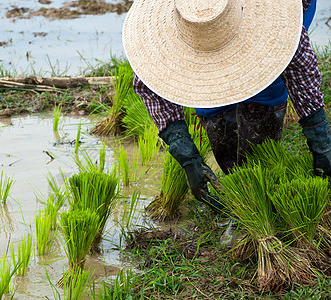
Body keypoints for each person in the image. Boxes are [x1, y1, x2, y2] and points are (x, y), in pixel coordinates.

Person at [122, 0, 330, 235]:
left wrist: (320, 142)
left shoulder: (278, 21)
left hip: (268, 11)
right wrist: (188, 157)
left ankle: (261, 194)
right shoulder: (162, 28)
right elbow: (147, 84)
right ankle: (240, 195)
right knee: (211, 102)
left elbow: (300, 68)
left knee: (266, 87)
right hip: (197, 30)